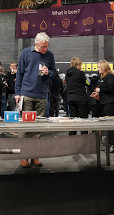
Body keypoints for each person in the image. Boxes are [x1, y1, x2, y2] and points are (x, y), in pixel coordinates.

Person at [15, 32, 56, 168]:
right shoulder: (26, 53)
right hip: (27, 94)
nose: (45, 49)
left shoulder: (49, 55)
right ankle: (23, 157)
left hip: (42, 95)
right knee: (26, 128)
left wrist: (48, 72)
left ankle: (34, 156)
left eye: (47, 46)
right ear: (36, 44)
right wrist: (17, 93)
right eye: (43, 47)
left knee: (38, 129)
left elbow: (54, 72)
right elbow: (19, 74)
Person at [90, 60, 114, 152]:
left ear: (104, 67)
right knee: (106, 125)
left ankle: (113, 145)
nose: (98, 69)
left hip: (110, 103)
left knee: (111, 124)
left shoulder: (110, 76)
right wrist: (97, 93)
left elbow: (110, 88)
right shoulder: (102, 77)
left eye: (99, 67)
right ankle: (109, 144)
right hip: (104, 103)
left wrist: (99, 90)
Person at [65, 57, 90, 134]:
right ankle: (84, 140)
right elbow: (88, 83)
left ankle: (72, 140)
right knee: (83, 121)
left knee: (73, 122)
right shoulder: (80, 73)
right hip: (81, 99)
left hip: (70, 99)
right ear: (78, 64)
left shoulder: (67, 74)